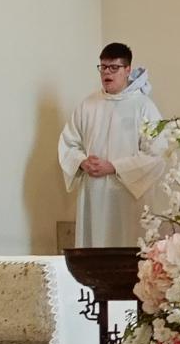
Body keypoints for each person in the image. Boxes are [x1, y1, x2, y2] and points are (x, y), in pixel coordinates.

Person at [58, 42, 164, 247]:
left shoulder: (144, 107)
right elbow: (69, 143)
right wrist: (81, 162)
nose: (107, 72)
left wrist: (114, 167)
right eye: (103, 67)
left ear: (127, 70)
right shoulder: (88, 105)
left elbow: (156, 155)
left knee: (126, 246)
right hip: (93, 196)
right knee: (94, 247)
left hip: (126, 197)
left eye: (114, 67)